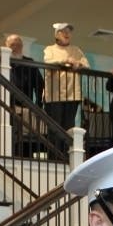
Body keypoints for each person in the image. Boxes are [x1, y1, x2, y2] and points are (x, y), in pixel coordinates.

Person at [43, 22, 89, 151]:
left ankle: (66, 156)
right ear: (57, 35)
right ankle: (54, 157)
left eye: (69, 32)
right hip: (54, 95)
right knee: (55, 127)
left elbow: (86, 64)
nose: (67, 34)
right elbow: (48, 62)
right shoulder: (49, 49)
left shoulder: (76, 50)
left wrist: (78, 64)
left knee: (69, 126)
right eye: (63, 31)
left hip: (72, 94)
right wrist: (65, 61)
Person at [5, 33, 45, 156]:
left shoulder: (29, 62)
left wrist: (37, 105)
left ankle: (23, 157)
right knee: (9, 133)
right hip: (6, 104)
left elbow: (39, 84)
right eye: (12, 45)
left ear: (22, 46)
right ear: (7, 46)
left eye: (18, 44)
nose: (15, 47)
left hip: (25, 105)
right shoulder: (3, 61)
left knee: (25, 135)